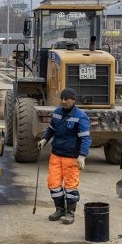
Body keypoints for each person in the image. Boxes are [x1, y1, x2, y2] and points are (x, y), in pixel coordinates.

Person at [37, 88, 91, 224]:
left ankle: (70, 212)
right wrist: (44, 139)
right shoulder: (57, 113)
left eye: (66, 99)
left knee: (70, 187)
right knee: (53, 184)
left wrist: (82, 156)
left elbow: (86, 138)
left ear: (73, 100)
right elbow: (51, 129)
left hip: (71, 157)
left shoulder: (81, 116)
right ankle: (59, 209)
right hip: (56, 155)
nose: (63, 101)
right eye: (62, 99)